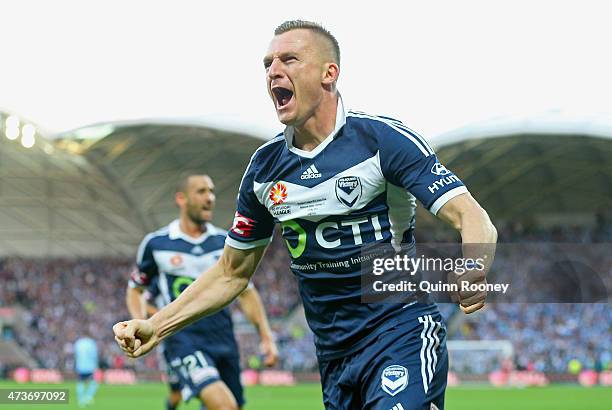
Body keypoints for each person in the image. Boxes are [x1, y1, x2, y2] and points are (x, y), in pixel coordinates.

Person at [114, 21, 497, 410]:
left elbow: (471, 214)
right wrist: (156, 326)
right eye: (267, 64)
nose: (273, 71)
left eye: (289, 59)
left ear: (329, 73)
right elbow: (231, 272)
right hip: (333, 355)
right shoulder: (265, 169)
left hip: (400, 331)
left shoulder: (382, 141)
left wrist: (474, 265)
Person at [125, 172, 278, 410]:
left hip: (223, 337)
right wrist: (141, 320)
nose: (210, 198)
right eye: (201, 191)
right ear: (181, 199)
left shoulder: (225, 242)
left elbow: (247, 292)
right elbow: (135, 288)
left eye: (212, 191)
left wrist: (266, 336)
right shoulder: (157, 244)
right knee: (224, 407)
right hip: (181, 337)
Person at [74, 335, 99, 407]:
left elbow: (76, 355)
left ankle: (80, 399)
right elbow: (94, 355)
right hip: (89, 366)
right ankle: (88, 397)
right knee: (93, 383)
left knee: (80, 382)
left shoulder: (78, 343)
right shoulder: (91, 343)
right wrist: (96, 365)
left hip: (80, 366)